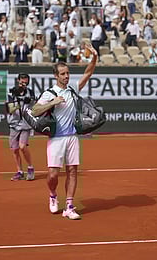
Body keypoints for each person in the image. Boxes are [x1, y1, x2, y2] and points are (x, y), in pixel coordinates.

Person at [31, 42, 98, 220]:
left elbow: (88, 73)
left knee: (73, 171)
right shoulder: (49, 93)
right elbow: (34, 110)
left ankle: (69, 205)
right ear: (56, 76)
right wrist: (53, 102)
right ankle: (53, 195)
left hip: (72, 137)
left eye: (68, 73)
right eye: (63, 74)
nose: (67, 76)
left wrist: (95, 57)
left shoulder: (73, 88)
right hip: (56, 139)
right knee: (53, 174)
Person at [7, 73, 36, 181]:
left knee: (22, 146)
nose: (24, 83)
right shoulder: (11, 93)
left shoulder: (31, 92)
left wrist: (31, 100)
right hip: (13, 124)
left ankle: (30, 168)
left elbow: (34, 106)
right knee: (15, 149)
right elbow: (10, 109)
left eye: (26, 81)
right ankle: (19, 171)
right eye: (22, 81)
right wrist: (20, 102)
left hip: (25, 123)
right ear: (18, 81)